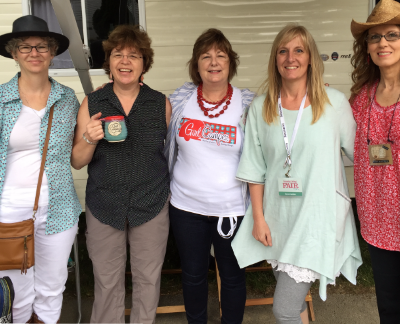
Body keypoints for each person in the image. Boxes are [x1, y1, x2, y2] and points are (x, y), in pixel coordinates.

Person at [231, 24, 362, 324]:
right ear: (275, 59)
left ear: (311, 58)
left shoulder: (334, 104)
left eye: (299, 50)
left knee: (284, 309)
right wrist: (260, 219)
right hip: (277, 221)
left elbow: (361, 157)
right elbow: (254, 168)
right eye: (283, 50)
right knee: (296, 305)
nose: (291, 57)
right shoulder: (262, 108)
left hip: (316, 221)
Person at [71, 25, 171, 324]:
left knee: (149, 281)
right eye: (118, 54)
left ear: (144, 64)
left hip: (151, 204)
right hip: (104, 205)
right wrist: (89, 137)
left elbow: (169, 153)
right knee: (106, 282)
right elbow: (77, 161)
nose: (125, 61)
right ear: (109, 62)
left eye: (134, 55)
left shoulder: (160, 103)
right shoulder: (93, 102)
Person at [165, 28, 255, 324]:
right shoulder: (180, 98)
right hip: (186, 207)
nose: (213, 62)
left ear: (231, 63)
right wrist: (111, 91)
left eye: (221, 55)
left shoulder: (248, 103)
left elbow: (285, 115)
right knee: (192, 277)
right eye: (206, 56)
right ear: (196, 63)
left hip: (233, 209)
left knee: (232, 277)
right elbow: (144, 107)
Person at [0, 15, 81, 323]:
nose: (34, 53)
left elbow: (76, 152)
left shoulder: (66, 99)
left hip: (58, 209)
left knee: (51, 287)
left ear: (52, 52)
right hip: (9, 211)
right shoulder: (1, 99)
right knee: (16, 291)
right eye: (25, 47)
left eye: (42, 47)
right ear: (13, 52)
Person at [350, 0, 400, 324]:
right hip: (378, 221)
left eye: (392, 34)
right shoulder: (359, 98)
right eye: (374, 37)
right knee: (389, 308)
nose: (383, 42)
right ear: (366, 47)